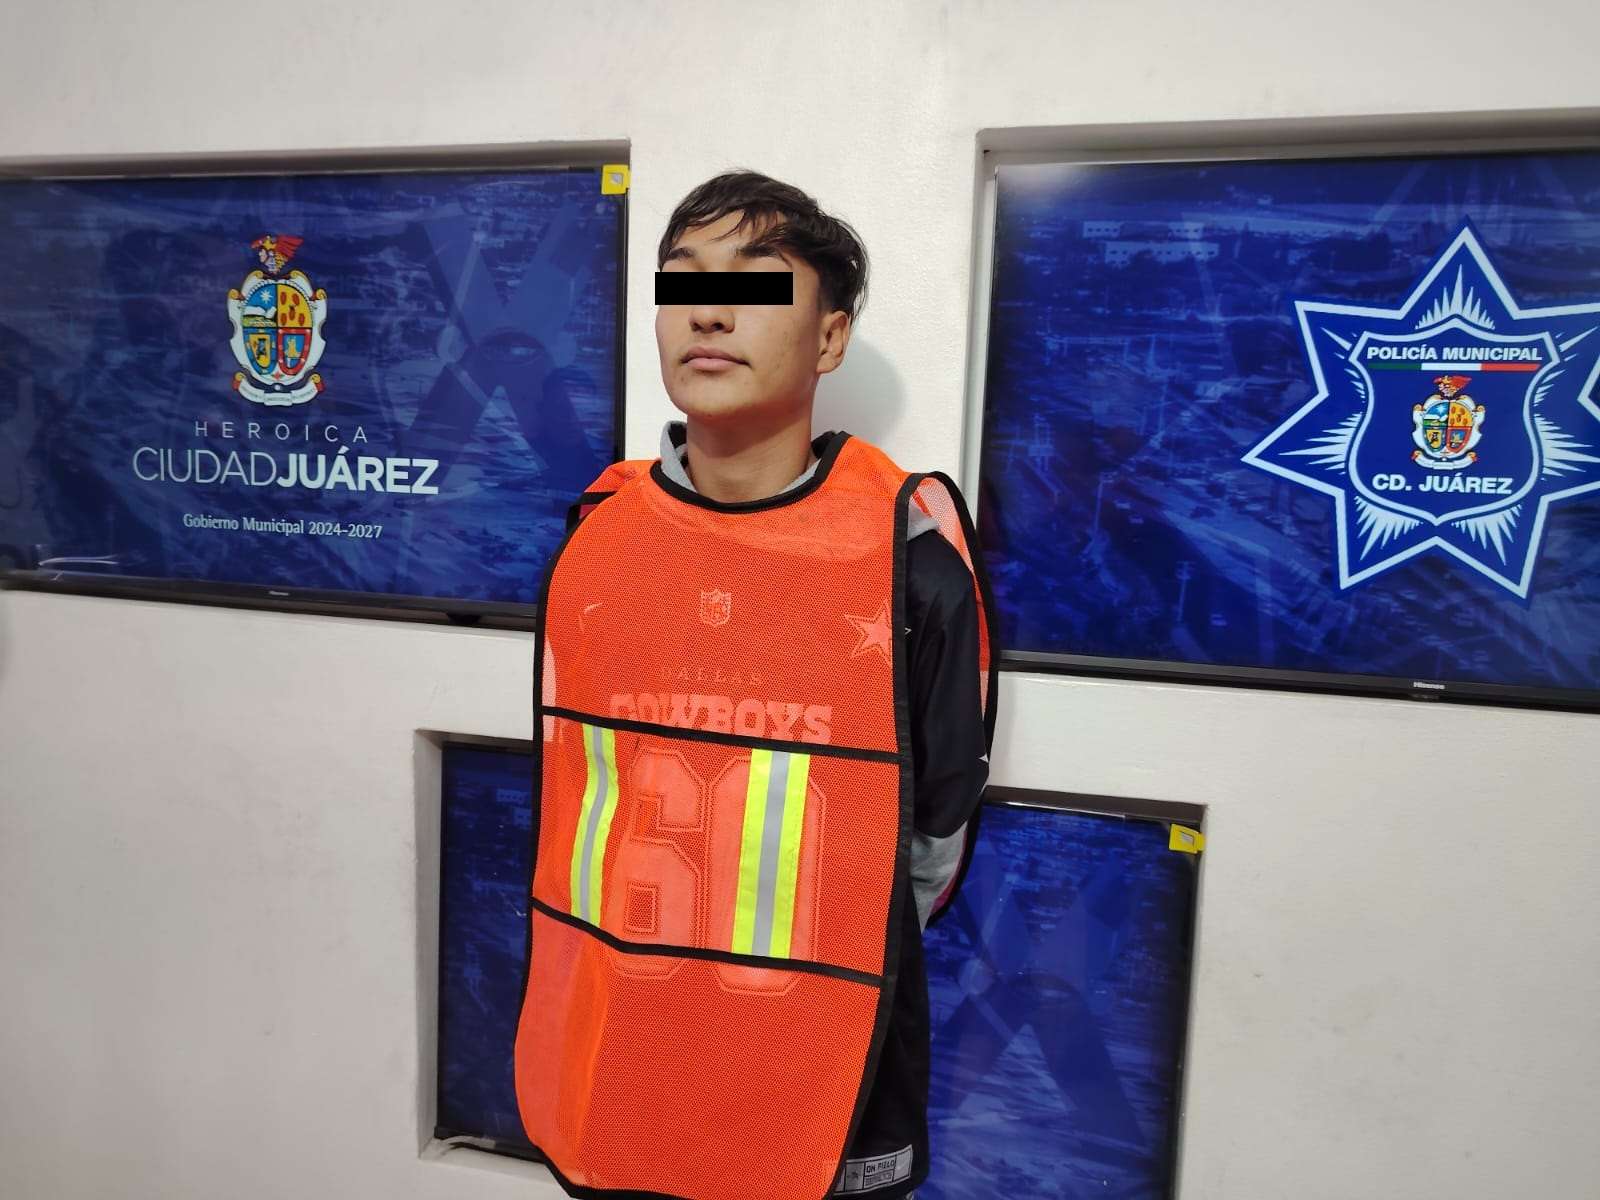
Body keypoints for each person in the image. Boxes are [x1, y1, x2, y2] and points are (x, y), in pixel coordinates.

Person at [514, 170, 998, 1200]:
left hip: (823, 1073)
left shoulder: (906, 558)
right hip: (623, 1049)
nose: (710, 312)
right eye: (683, 282)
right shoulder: (595, 538)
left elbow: (935, 840)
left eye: (756, 284)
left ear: (829, 338)